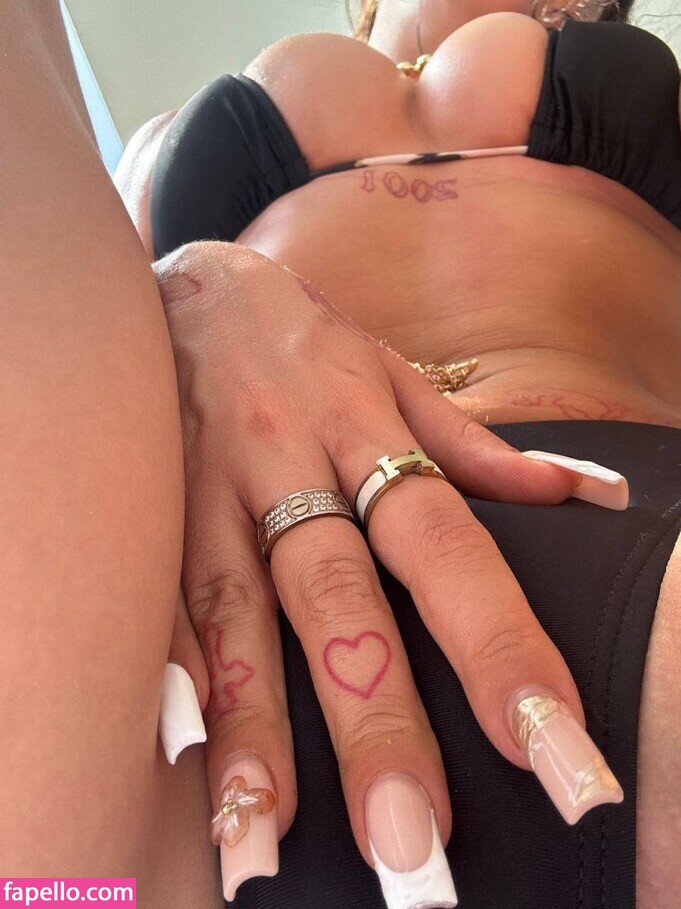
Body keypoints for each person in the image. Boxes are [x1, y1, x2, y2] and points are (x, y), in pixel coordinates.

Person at [114, 0, 681, 905]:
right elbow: (71, 326)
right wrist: (190, 288)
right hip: (251, 576)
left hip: (631, 497)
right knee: (42, 881)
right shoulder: (154, 142)